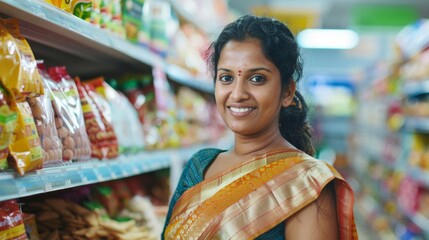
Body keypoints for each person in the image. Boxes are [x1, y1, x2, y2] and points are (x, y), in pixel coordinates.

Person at [162, 15, 358, 239]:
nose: (237, 94)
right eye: (226, 78)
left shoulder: (306, 185)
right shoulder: (199, 166)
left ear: (287, 92)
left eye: (256, 79)